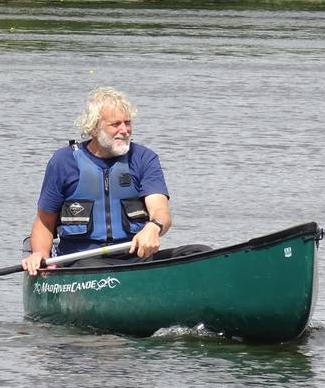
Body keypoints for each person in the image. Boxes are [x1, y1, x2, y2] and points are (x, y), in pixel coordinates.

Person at [21, 87, 204, 275]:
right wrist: (40, 255)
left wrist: (154, 227)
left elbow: (161, 211)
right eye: (116, 124)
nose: (124, 130)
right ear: (94, 128)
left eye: (128, 123)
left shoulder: (143, 158)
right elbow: (44, 223)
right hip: (82, 262)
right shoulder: (63, 161)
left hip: (136, 259)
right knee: (91, 268)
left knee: (199, 252)